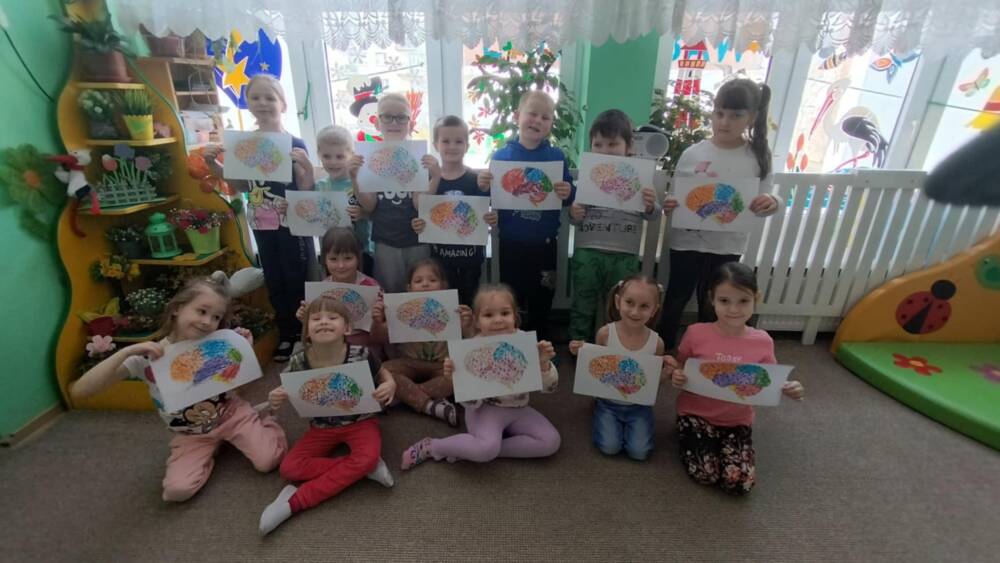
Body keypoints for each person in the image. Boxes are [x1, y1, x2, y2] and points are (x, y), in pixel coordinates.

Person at [68, 272, 287, 502]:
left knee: (269, 460)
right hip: (191, 433)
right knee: (176, 491)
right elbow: (79, 391)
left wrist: (241, 348)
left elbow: (240, 382)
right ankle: (215, 445)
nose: (207, 322)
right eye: (201, 311)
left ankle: (261, 420)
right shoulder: (148, 357)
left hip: (232, 415)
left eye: (216, 317)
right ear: (177, 309)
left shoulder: (217, 344)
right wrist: (128, 351)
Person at [659, 78, 781, 350]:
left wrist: (772, 202)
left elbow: (765, 198)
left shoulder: (757, 156)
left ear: (752, 117)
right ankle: (662, 350)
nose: (724, 122)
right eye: (719, 113)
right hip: (686, 241)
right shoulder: (693, 153)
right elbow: (676, 197)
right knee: (677, 295)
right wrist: (670, 205)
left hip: (727, 244)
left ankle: (706, 351)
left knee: (714, 301)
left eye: (736, 115)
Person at [260, 296, 396, 535]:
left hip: (361, 422)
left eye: (332, 317)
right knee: (289, 469)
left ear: (347, 328)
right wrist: (275, 397)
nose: (324, 322)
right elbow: (285, 389)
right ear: (306, 331)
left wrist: (390, 384)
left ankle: (294, 502)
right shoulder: (298, 361)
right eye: (316, 319)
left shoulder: (361, 354)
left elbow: (384, 373)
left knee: (365, 456)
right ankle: (365, 468)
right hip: (321, 426)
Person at [204, 74, 315, 361]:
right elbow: (240, 185)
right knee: (274, 279)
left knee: (296, 278)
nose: (263, 103)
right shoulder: (245, 144)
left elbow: (306, 190)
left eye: (270, 97)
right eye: (256, 98)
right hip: (261, 224)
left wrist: (306, 166)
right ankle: (286, 333)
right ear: (247, 103)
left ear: (283, 104)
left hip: (292, 226)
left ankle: (303, 333)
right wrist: (213, 164)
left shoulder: (294, 142)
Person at [670, 262, 805, 495]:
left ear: (756, 298)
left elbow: (768, 380)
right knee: (706, 474)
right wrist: (677, 374)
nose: (734, 309)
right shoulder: (696, 333)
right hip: (696, 414)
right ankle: (689, 434)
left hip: (737, 420)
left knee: (739, 483)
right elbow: (682, 364)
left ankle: (714, 442)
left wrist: (788, 387)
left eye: (743, 301)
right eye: (724, 301)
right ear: (712, 299)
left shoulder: (763, 341)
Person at [400, 284, 560, 469]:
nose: (498, 320)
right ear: (476, 321)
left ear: (515, 317)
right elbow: (470, 404)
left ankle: (470, 450)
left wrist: (543, 364)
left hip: (518, 408)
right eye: (488, 315)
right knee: (486, 448)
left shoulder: (524, 342)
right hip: (483, 410)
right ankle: (433, 447)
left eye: (505, 313)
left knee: (551, 441)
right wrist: (457, 381)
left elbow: (549, 388)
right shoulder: (471, 348)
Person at [477, 90, 575, 339]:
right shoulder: (501, 156)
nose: (538, 120)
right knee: (512, 301)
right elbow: (493, 198)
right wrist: (484, 187)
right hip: (511, 244)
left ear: (551, 124)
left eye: (545, 117)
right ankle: (513, 347)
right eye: (532, 114)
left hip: (545, 245)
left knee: (543, 299)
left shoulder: (556, 157)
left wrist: (567, 191)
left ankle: (541, 347)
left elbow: (567, 197)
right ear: (517, 116)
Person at [568, 109, 660, 341]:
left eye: (612, 144)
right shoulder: (587, 178)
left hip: (624, 254)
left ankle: (616, 349)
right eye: (598, 144)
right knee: (582, 305)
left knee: (620, 309)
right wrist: (574, 212)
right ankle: (577, 347)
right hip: (588, 250)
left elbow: (653, 215)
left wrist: (650, 205)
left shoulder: (640, 178)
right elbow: (574, 218)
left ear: (629, 146)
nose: (605, 150)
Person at [569, 275, 675, 460]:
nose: (635, 312)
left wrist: (666, 374)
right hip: (607, 403)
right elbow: (597, 367)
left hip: (639, 407)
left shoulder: (657, 343)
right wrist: (581, 352)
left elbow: (651, 382)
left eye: (644, 306)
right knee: (609, 447)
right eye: (629, 302)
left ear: (654, 310)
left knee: (640, 452)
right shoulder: (605, 333)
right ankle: (598, 411)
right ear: (618, 302)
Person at [411, 115, 497, 305]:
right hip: (439, 262)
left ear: (467, 146)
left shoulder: (476, 179)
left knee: (468, 304)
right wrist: (419, 224)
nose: (452, 146)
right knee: (442, 306)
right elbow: (420, 207)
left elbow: (486, 214)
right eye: (446, 141)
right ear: (436, 145)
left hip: (471, 259)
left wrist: (491, 218)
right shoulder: (429, 179)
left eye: (458, 141)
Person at [354, 92, 436, 293]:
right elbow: (369, 205)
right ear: (377, 123)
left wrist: (435, 174)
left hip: (417, 240)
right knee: (389, 294)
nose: (394, 123)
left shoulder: (421, 158)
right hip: (385, 241)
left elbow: (420, 204)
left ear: (410, 123)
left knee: (420, 293)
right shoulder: (369, 158)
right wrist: (354, 177)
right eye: (387, 117)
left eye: (401, 117)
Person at [381, 258, 474, 426]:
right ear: (409, 288)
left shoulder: (455, 309)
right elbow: (383, 337)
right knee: (382, 372)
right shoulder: (399, 309)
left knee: (460, 377)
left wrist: (467, 325)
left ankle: (405, 397)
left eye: (432, 280)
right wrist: (382, 319)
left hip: (442, 366)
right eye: (418, 281)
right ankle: (430, 405)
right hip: (409, 362)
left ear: (443, 285)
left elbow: (470, 342)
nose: (425, 284)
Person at [297, 227, 387, 354]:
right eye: (333, 259)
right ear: (324, 260)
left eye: (348, 258)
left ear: (358, 258)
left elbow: (381, 336)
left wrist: (378, 318)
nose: (341, 265)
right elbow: (313, 335)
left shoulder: (373, 288)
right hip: (331, 347)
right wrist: (306, 319)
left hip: (365, 348)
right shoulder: (321, 290)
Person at [313, 124, 374, 274]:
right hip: (332, 255)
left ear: (352, 155)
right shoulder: (319, 187)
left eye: (340, 156)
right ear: (319, 155)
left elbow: (375, 212)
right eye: (326, 156)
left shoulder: (361, 183)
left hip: (361, 251)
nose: (333, 162)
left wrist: (363, 214)